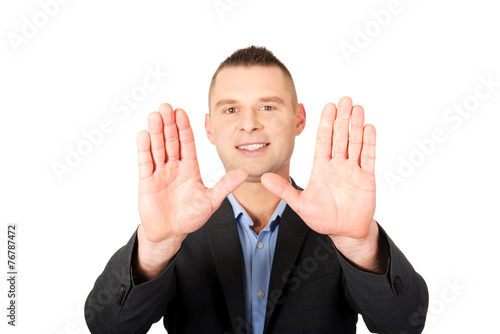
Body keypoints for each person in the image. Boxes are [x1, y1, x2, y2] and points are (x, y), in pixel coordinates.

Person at [85, 46, 429, 333]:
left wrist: (359, 243)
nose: (249, 123)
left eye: (267, 106)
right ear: (209, 128)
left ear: (298, 120)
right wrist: (155, 247)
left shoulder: (336, 224)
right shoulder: (178, 227)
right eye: (231, 109)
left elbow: (402, 325)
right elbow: (106, 328)